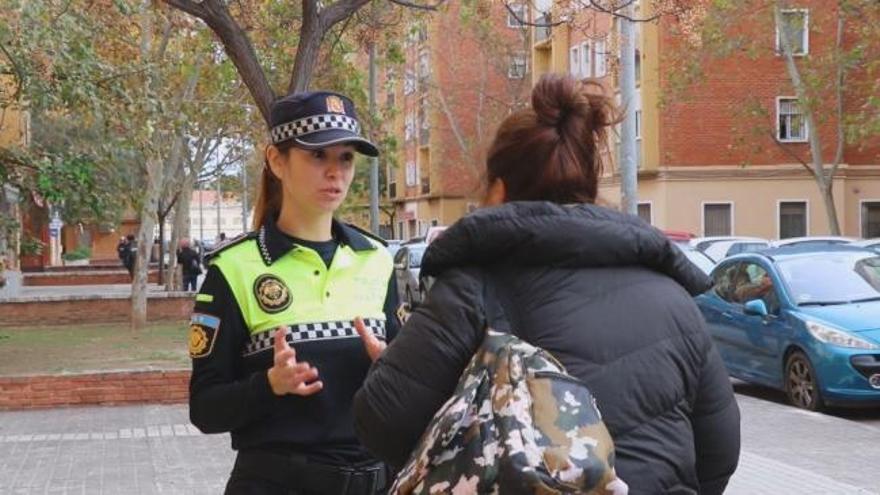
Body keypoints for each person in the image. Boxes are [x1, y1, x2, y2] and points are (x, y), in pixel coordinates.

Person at [353, 75, 741, 494]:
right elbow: (719, 455)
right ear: (588, 187)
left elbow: (382, 423)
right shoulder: (673, 297)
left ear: (498, 190)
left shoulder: (471, 292)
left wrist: (394, 367)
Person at [188, 90, 399, 495]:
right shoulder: (234, 269)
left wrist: (394, 368)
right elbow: (205, 409)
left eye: (346, 158)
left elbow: (410, 392)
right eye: (318, 155)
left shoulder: (377, 259)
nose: (335, 172)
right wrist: (269, 384)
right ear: (276, 161)